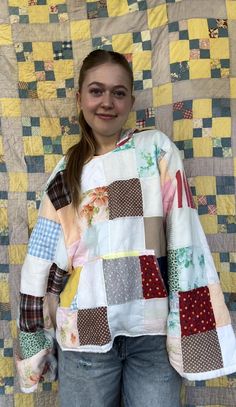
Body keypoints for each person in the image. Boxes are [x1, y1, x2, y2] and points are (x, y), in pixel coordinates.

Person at [17, 49, 236, 406]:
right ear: (80, 98)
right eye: (96, 90)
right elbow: (44, 263)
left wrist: (185, 323)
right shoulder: (64, 175)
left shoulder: (156, 152)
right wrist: (37, 346)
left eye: (118, 92)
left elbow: (184, 240)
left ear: (131, 101)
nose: (107, 102)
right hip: (83, 336)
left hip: (151, 333)